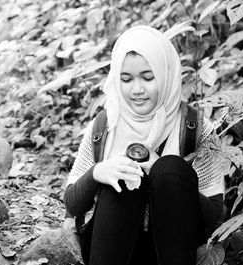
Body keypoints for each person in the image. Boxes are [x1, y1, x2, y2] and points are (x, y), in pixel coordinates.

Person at [63, 26, 225, 265]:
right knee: (125, 174)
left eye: (148, 78)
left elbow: (216, 216)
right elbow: (72, 203)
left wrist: (166, 174)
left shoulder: (195, 128)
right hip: (112, 248)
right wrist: (98, 172)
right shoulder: (104, 126)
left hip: (177, 250)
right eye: (126, 79)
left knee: (170, 168)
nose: (137, 90)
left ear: (166, 74)